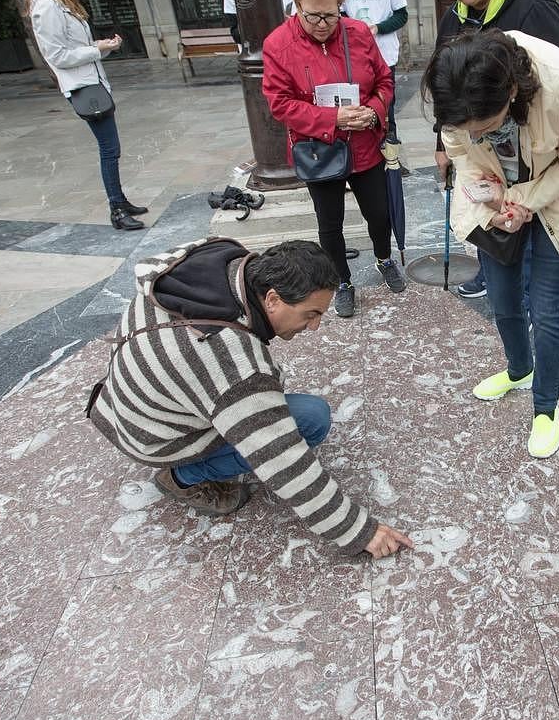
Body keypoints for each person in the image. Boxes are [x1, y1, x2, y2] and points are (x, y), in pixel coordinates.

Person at [88, 237, 415, 559]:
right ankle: (181, 477)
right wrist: (358, 530)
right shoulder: (228, 359)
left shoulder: (217, 257)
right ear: (271, 298)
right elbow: (282, 459)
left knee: (272, 405)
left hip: (124, 404)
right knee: (311, 419)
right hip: (152, 437)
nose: (314, 326)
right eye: (310, 314)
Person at [424, 29, 559, 458]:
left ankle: (546, 408)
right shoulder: (455, 91)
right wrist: (485, 186)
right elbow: (460, 152)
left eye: (485, 127)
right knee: (502, 300)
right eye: (466, 127)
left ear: (512, 93)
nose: (477, 135)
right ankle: (519, 370)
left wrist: (525, 199)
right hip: (499, 203)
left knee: (546, 308)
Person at [430, 0, 559, 299]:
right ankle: (493, 276)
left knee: (525, 241)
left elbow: (557, 96)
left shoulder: (534, 7)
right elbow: (447, 87)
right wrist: (443, 142)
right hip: (487, 157)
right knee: (492, 222)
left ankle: (523, 296)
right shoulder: (455, 16)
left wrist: (522, 193)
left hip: (531, 158)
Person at [261, 0, 406, 319]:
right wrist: (334, 117)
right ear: (296, 4)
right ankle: (341, 281)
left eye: (331, 15)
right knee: (330, 223)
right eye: (313, 16)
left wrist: (373, 110)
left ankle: (383, 258)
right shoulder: (278, 45)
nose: (323, 25)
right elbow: (280, 104)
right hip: (319, 150)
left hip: (364, 145)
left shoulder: (356, 33)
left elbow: (385, 83)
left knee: (378, 214)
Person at [27, 0, 148, 231]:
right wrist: (95, 50)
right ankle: (117, 209)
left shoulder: (60, 2)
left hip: (91, 82)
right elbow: (56, 56)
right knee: (109, 149)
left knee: (111, 148)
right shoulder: (46, 6)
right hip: (82, 87)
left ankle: (120, 200)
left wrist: (100, 47)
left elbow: (74, 49)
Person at [337, 0, 409, 153]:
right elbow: (340, 14)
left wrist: (377, 28)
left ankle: (391, 150)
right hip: (356, 55)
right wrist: (355, 27)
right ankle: (367, 150)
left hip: (385, 54)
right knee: (360, 102)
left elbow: (401, 15)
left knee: (386, 102)